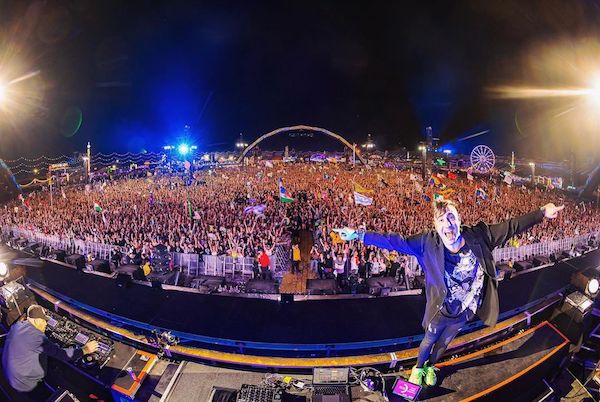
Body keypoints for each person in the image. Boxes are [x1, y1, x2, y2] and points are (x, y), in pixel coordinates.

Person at [335, 199, 563, 387]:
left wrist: (542, 212)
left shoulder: (479, 236)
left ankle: (432, 366)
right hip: (440, 308)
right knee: (430, 339)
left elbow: (511, 226)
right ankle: (418, 368)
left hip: (465, 309)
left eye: (452, 217)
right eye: (442, 220)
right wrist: (357, 235)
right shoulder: (427, 243)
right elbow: (394, 241)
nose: (448, 224)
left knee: (445, 342)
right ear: (435, 225)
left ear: (460, 220)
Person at [2, 305, 99, 400]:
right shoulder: (37, 338)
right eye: (44, 321)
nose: (46, 324)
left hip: (11, 374)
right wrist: (85, 349)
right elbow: (63, 355)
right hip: (26, 383)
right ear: (37, 320)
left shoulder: (17, 326)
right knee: (42, 395)